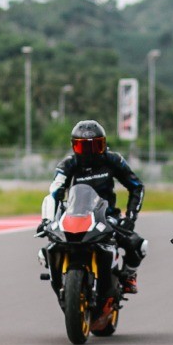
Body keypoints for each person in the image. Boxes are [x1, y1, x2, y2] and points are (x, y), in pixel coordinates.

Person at [37, 120, 146, 293]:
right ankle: (57, 277)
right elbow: (54, 192)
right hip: (75, 216)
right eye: (83, 147)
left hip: (108, 217)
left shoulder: (113, 160)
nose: (90, 152)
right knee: (49, 248)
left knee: (138, 245)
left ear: (104, 144)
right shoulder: (68, 164)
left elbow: (136, 187)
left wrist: (130, 218)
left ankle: (129, 275)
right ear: (74, 146)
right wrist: (47, 220)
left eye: (96, 146)